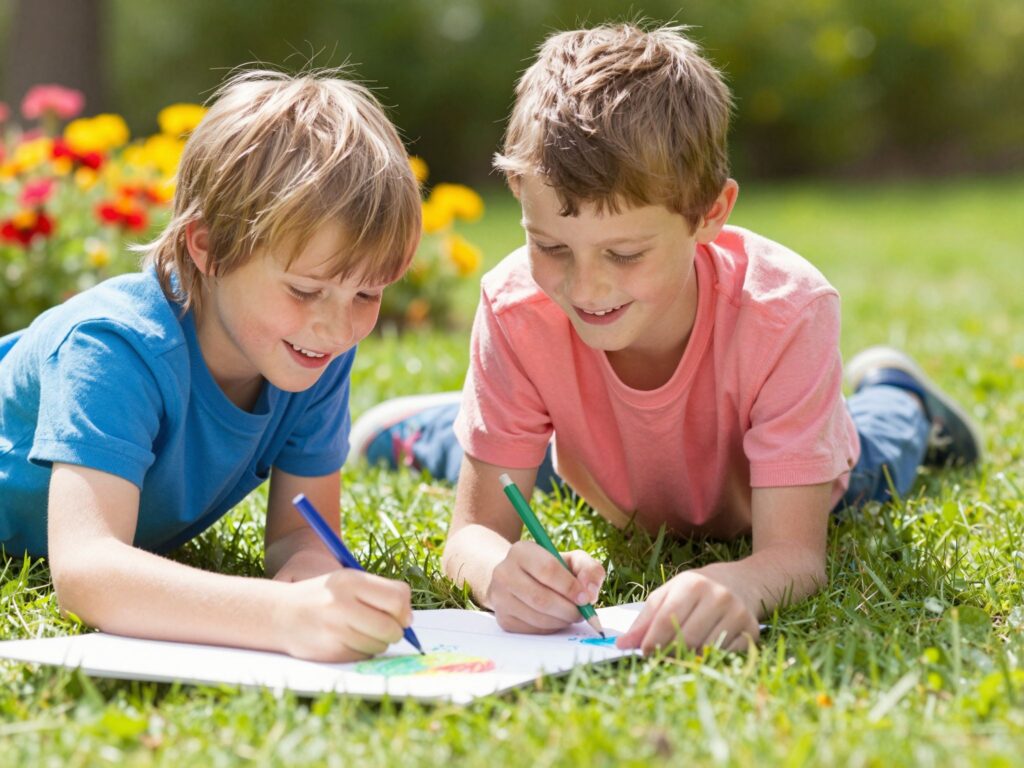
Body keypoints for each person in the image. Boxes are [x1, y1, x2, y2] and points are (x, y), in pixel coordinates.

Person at [349, 23, 982, 655]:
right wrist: (496, 573)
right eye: (550, 247)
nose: (588, 289)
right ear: (519, 198)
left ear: (710, 214)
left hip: (777, 485)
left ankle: (902, 393)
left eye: (624, 254)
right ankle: (443, 426)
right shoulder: (519, 307)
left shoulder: (787, 311)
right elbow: (474, 535)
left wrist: (736, 581)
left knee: (881, 450)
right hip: (601, 470)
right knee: (533, 466)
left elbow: (794, 557)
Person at [0, 69, 423, 662]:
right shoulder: (112, 348)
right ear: (209, 246)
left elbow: (302, 533)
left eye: (367, 295)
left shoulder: (312, 351)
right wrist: (281, 617)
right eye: (305, 290)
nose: (337, 326)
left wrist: (317, 585)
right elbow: (87, 570)